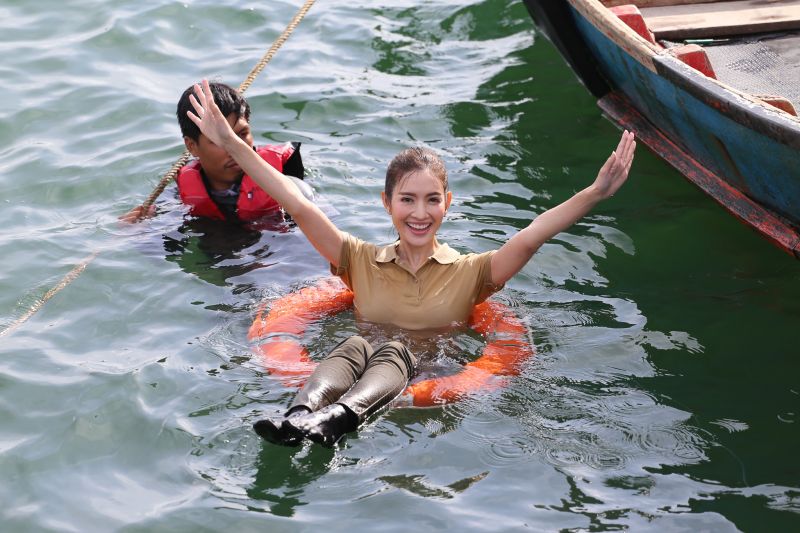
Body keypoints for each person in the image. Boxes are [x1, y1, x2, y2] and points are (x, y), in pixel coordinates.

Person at [187, 79, 637, 447]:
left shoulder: (472, 274)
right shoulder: (359, 260)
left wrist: (595, 193)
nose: (419, 213)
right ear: (387, 203)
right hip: (355, 371)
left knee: (393, 350)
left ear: (447, 204)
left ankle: (338, 419)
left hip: (423, 378)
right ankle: (300, 415)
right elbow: (297, 204)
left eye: (431, 200)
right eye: (407, 199)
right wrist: (232, 144)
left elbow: (534, 234)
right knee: (355, 345)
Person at [121, 82, 307, 223]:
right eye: (220, 139)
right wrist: (140, 233)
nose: (234, 146)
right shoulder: (177, 200)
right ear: (192, 146)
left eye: (242, 134)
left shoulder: (289, 185)